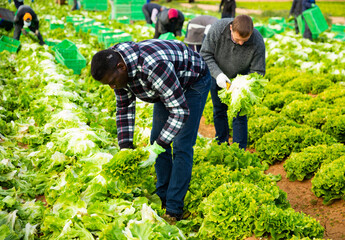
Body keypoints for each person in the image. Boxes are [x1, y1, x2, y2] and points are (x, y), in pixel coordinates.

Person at [90, 39, 211, 221]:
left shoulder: (154, 67)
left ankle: (173, 208)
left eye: (112, 82)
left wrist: (157, 148)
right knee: (157, 138)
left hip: (193, 82)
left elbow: (179, 111)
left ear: (121, 67)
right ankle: (162, 195)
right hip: (167, 86)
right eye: (108, 84)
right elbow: (124, 108)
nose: (112, 87)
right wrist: (125, 147)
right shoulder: (117, 68)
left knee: (181, 144)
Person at [200, 15, 265, 150]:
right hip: (218, 75)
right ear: (231, 28)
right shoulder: (218, 29)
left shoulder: (257, 41)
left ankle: (239, 150)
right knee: (219, 111)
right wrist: (218, 75)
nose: (241, 43)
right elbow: (205, 54)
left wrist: (242, 83)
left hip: (241, 81)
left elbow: (258, 71)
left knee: (240, 114)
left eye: (244, 40)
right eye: (237, 40)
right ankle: (222, 144)